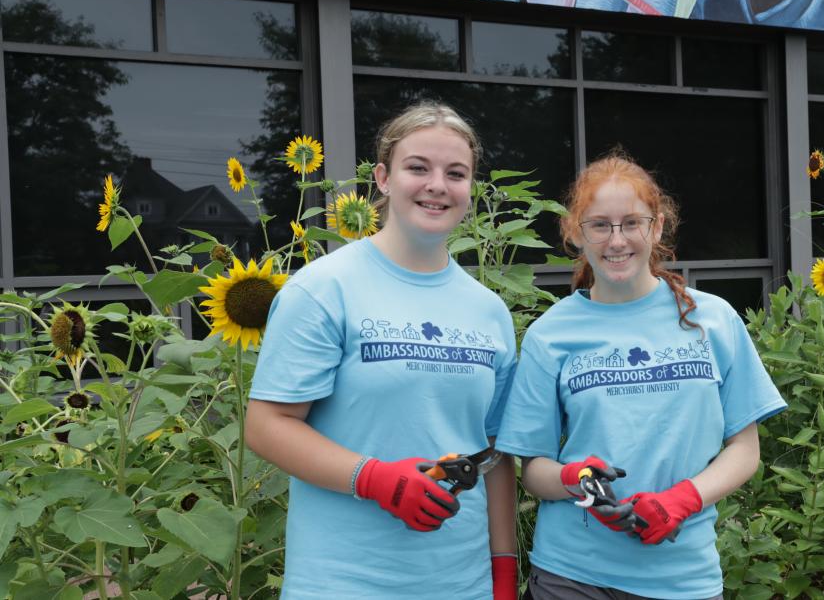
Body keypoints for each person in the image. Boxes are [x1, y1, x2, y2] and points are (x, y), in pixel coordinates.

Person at [245, 102, 518, 599]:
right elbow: (266, 426)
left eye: (455, 173)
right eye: (418, 167)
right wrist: (374, 480)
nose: (437, 184)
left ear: (469, 189)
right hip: (345, 583)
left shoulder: (488, 310)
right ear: (383, 178)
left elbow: (495, 454)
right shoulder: (325, 289)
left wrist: (503, 570)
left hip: (462, 583)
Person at [496, 153, 787, 600]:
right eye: (599, 225)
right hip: (572, 575)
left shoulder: (713, 320)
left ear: (657, 226)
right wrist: (575, 478)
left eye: (632, 222)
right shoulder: (550, 333)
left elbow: (745, 450)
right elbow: (533, 471)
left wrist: (682, 500)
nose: (617, 241)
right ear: (576, 232)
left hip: (681, 576)